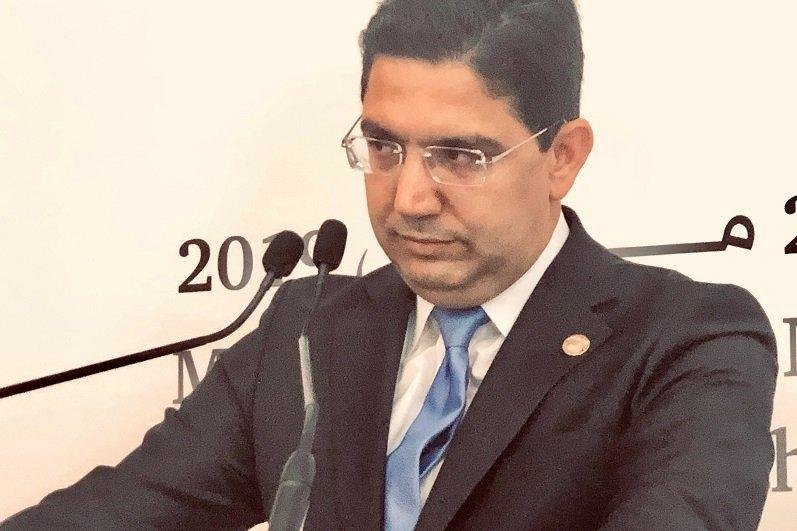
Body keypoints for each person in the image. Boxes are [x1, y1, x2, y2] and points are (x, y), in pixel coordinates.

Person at [3, 0, 777, 529]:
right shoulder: (306, 329)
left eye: (459, 155)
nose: (407, 198)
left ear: (561, 156)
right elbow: (119, 512)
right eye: (382, 147)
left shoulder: (685, 339)